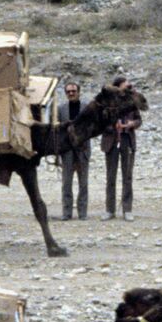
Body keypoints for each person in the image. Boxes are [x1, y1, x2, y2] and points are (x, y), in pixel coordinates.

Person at [100, 76, 147, 221]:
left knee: (127, 176)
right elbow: (100, 121)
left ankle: (127, 209)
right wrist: (112, 124)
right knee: (110, 176)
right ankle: (110, 209)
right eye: (125, 85)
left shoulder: (132, 101)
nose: (128, 87)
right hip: (111, 141)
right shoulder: (107, 102)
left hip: (127, 139)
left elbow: (139, 120)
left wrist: (131, 124)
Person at [55, 82, 91, 220]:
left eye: (73, 91)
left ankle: (82, 213)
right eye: (68, 91)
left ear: (79, 92)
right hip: (67, 150)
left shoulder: (86, 108)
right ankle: (66, 213)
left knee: (83, 183)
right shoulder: (61, 109)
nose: (71, 93)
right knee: (66, 183)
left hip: (83, 149)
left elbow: (91, 126)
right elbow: (56, 127)